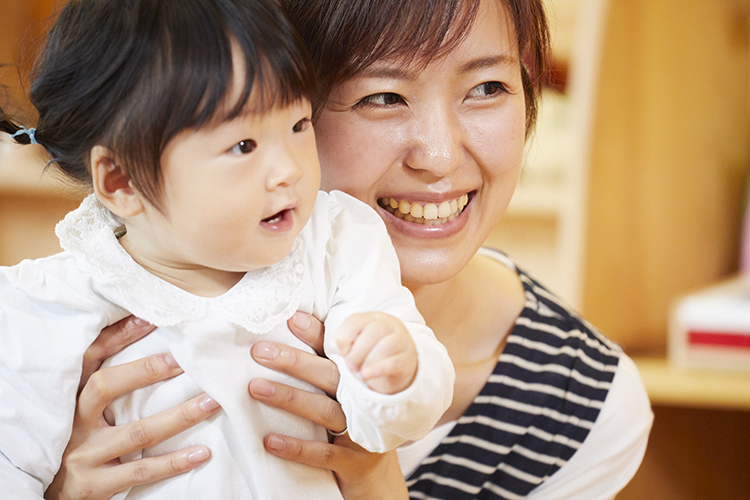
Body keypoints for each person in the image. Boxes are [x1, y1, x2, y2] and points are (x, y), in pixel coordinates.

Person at [44, 0, 655, 499]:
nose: (439, 156)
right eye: (382, 97)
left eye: (489, 86)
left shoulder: (580, 407)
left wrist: (372, 482)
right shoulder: (107, 318)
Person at [0, 0, 457, 499]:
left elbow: (390, 426)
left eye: (299, 125)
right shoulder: (48, 306)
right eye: (243, 146)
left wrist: (398, 373)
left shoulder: (337, 245)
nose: (290, 169)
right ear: (122, 180)